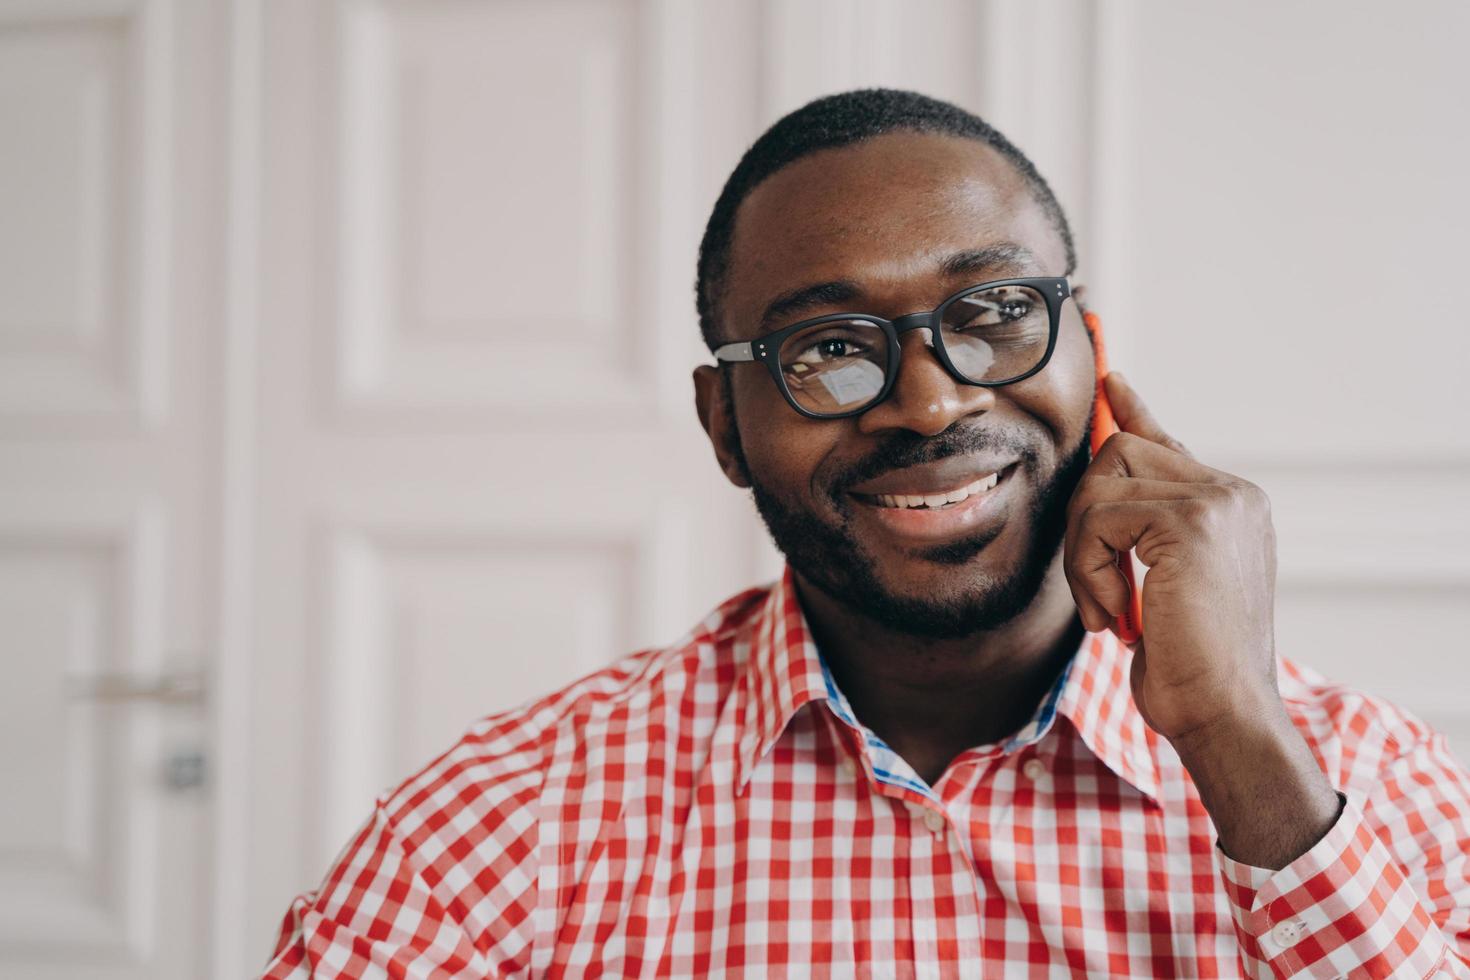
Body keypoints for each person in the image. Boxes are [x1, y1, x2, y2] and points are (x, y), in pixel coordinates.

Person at [261, 89, 1470, 978]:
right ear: (724, 423)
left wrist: (1243, 742)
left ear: (1090, 355)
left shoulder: (1368, 784)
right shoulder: (499, 831)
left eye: (995, 312)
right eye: (829, 347)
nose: (934, 401)